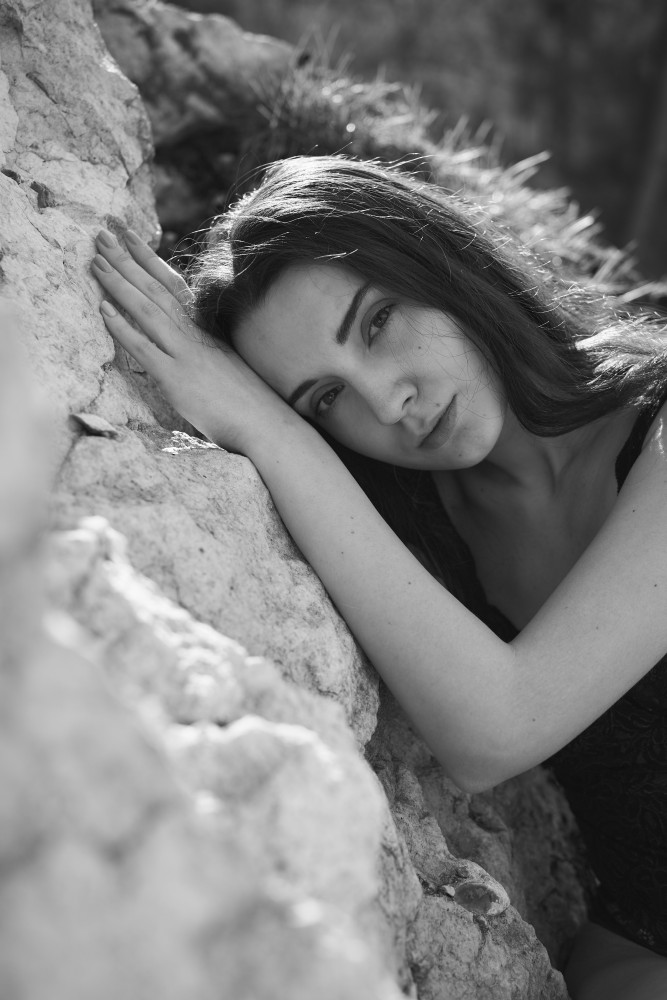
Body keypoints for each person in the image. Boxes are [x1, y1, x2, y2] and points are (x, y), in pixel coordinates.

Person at [91, 155, 667, 1000]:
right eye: (325, 399)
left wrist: (271, 431)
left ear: (444, 263)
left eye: (376, 322)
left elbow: (498, 728)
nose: (386, 402)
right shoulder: (413, 530)